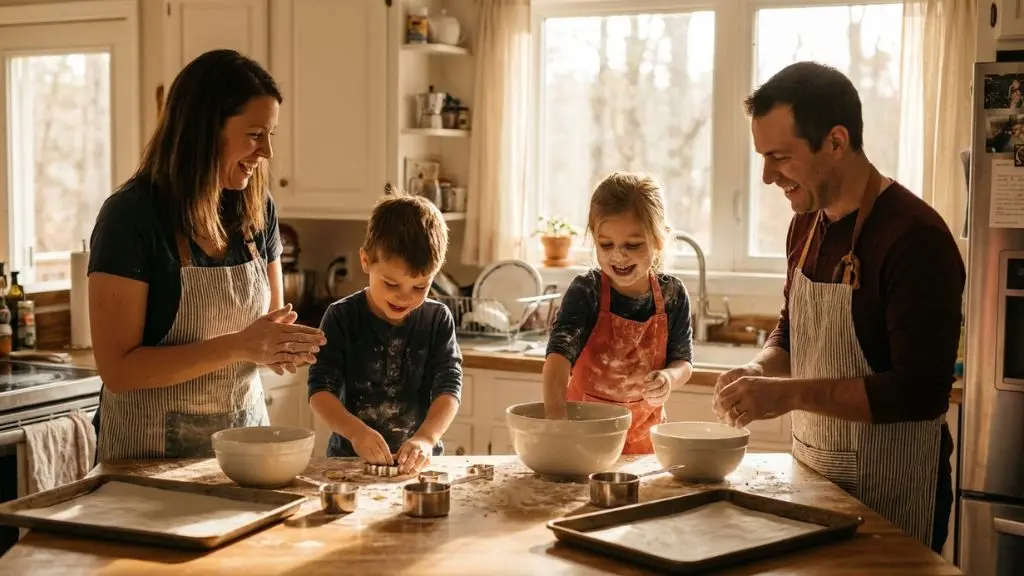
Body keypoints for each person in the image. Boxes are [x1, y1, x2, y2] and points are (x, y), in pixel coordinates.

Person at [713, 61, 964, 552]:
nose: (766, 176)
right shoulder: (805, 225)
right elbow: (792, 329)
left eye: (780, 157)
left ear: (835, 141)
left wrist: (786, 395)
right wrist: (759, 369)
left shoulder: (916, 238)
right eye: (762, 158)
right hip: (814, 480)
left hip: (894, 494)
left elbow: (920, 392)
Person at [88, 49, 326, 461]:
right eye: (255, 134)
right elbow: (118, 370)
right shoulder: (131, 216)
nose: (267, 152)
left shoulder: (258, 209)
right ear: (204, 130)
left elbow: (268, 327)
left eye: (271, 134)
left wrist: (286, 346)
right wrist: (239, 346)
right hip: (147, 458)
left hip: (245, 449)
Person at [308, 191, 462, 475]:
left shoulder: (437, 319)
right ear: (366, 261)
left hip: (418, 465)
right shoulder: (341, 317)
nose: (405, 297)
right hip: (350, 464)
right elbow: (320, 392)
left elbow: (449, 387)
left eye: (420, 287)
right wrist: (356, 432)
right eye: (391, 283)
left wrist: (427, 438)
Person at [542, 172, 694, 454]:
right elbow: (557, 360)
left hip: (644, 442)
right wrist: (555, 419)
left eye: (633, 245)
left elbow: (683, 362)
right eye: (606, 244)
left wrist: (669, 378)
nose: (618, 255)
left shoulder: (672, 295)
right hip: (582, 437)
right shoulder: (587, 291)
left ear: (659, 240)